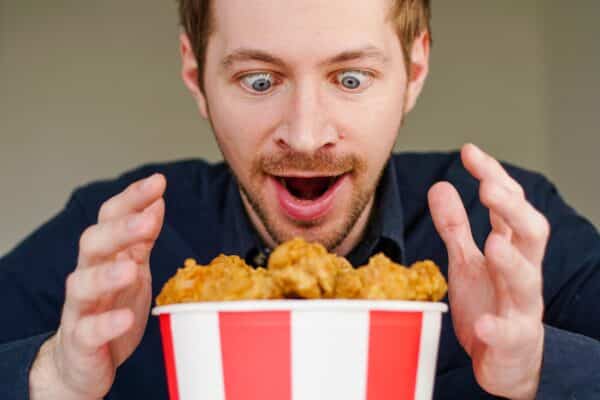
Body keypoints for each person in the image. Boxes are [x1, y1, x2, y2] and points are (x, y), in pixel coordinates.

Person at [1, 0, 599, 399]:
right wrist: (53, 376)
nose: (307, 135)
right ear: (196, 75)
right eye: (259, 81)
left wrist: (537, 369)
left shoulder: (507, 234)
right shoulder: (115, 244)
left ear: (414, 70)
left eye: (351, 78)